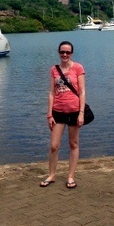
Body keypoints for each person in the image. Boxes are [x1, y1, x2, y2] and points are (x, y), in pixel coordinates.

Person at [40, 41, 86, 189]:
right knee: (54, 146)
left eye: (68, 52)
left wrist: (81, 113)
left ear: (71, 53)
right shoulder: (54, 69)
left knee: (73, 144)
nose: (65, 54)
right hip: (58, 111)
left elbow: (82, 92)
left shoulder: (78, 68)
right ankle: (52, 175)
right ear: (58, 52)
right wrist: (49, 114)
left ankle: (71, 176)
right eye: (62, 52)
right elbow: (51, 93)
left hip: (74, 110)